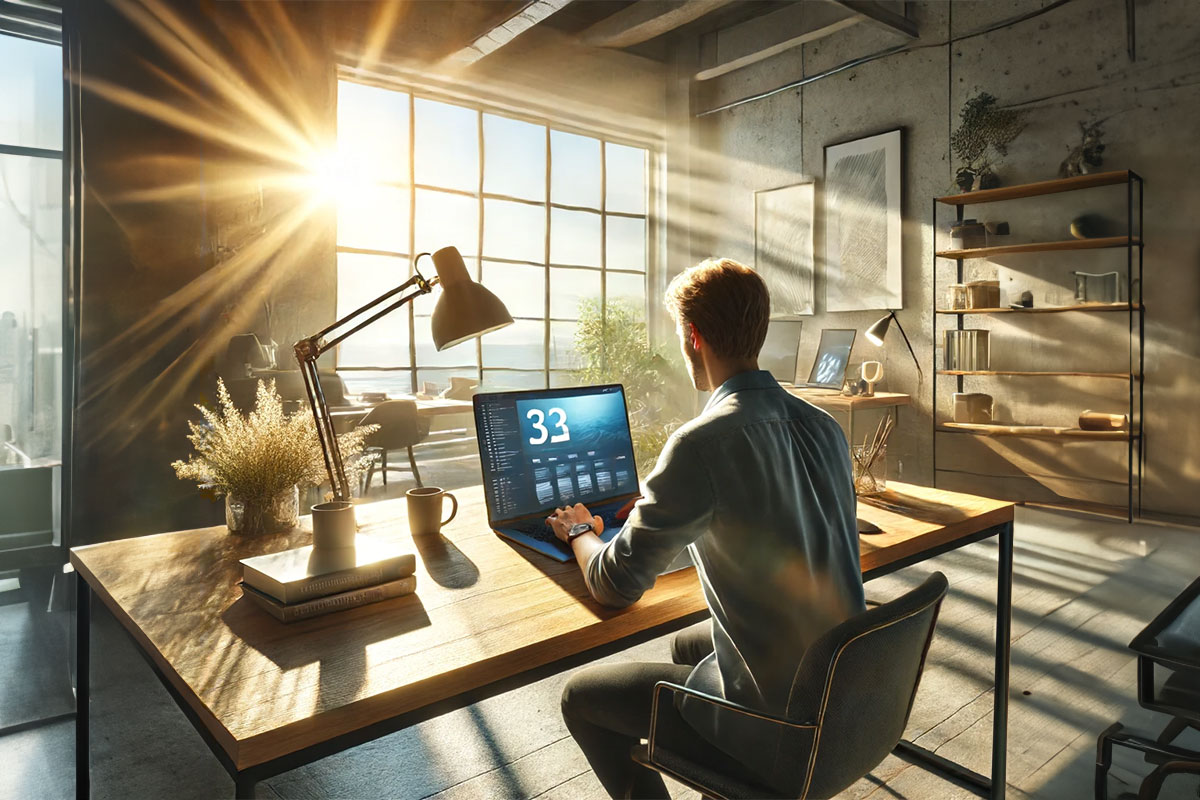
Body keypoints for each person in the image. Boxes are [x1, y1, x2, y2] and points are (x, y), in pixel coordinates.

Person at [550, 258, 865, 799]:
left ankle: (735, 763)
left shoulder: (700, 443)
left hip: (779, 724)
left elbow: (614, 586)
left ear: (692, 335)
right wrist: (669, 511)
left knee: (581, 697)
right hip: (845, 689)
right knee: (686, 646)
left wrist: (581, 531)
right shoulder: (826, 427)